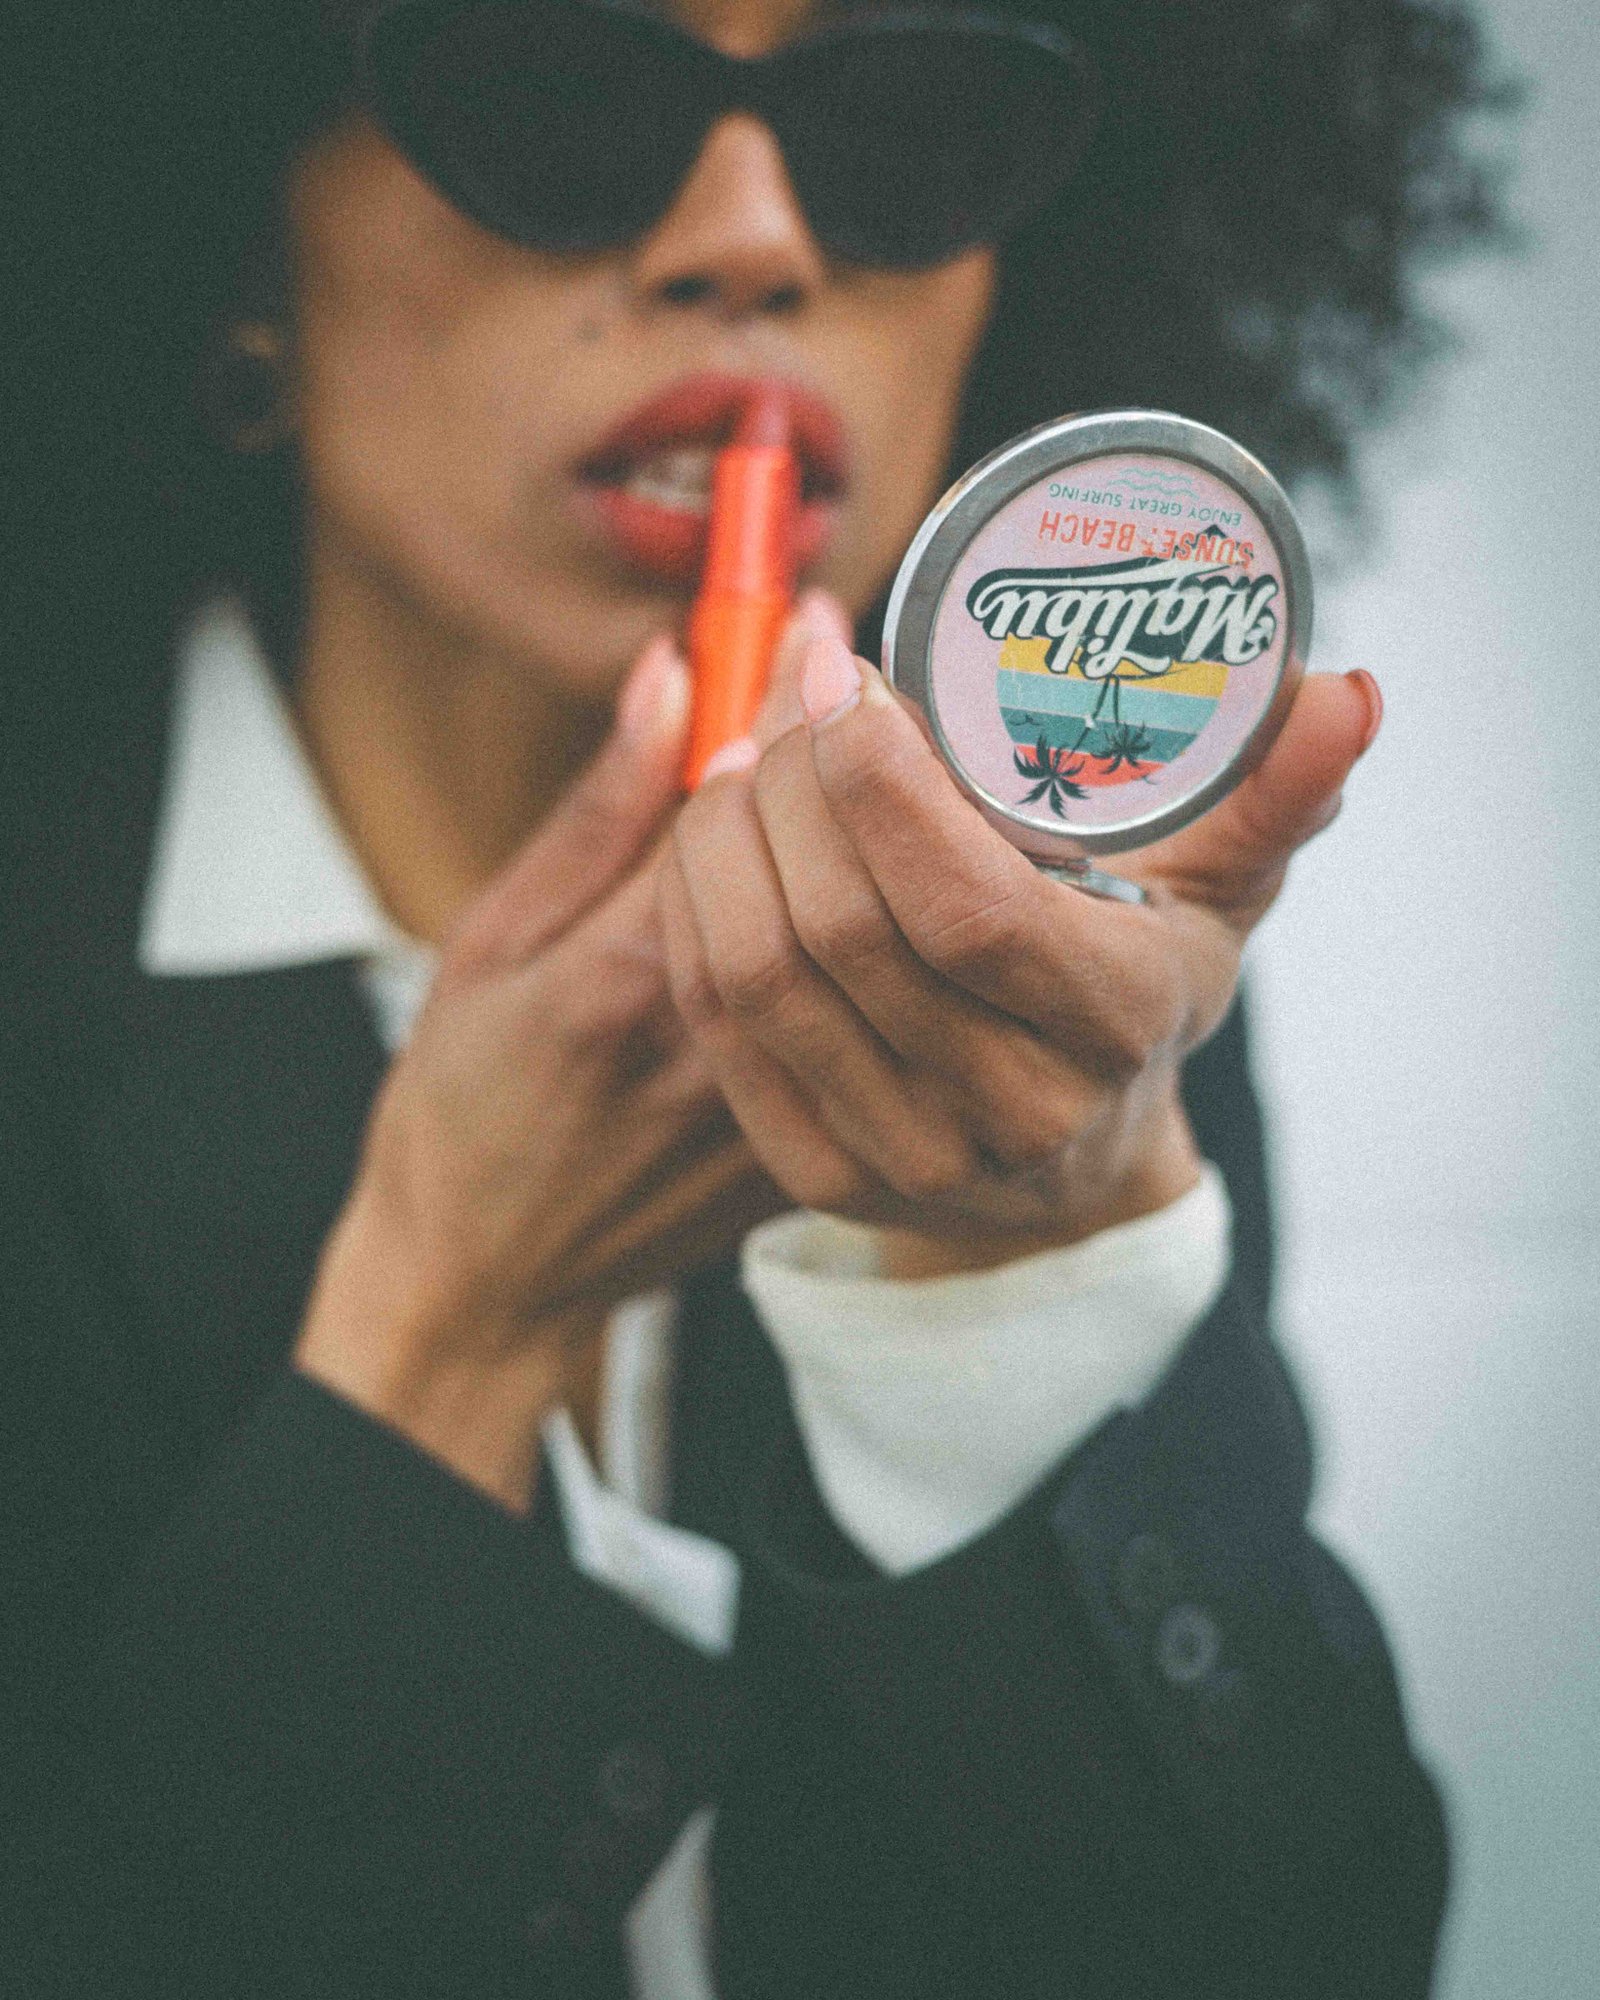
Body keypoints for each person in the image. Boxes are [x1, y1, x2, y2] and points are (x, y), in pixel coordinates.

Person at [2, 0, 1507, 1994]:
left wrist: (1026, 1289)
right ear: (228, 220)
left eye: (905, 116)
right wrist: (443, 1333)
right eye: (556, 87)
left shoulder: (1027, 1006)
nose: (755, 232)